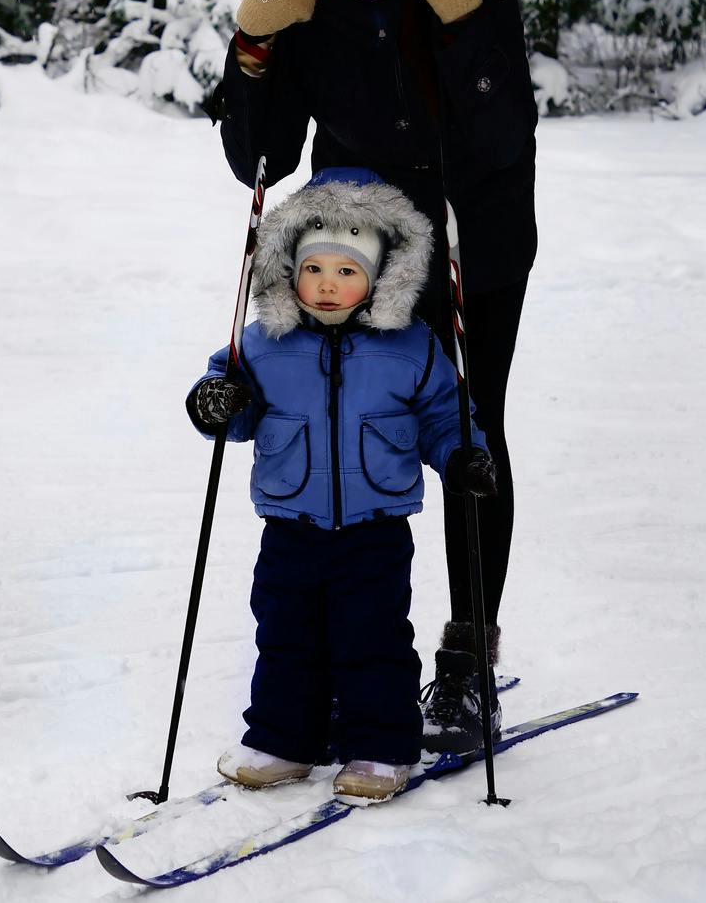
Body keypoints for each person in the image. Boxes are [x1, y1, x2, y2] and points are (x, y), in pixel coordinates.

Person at [208, 0, 538, 753]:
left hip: (477, 226)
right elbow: (259, 161)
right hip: (360, 238)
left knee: (469, 427)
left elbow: (499, 135)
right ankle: (341, 657)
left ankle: (468, 663)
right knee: (351, 418)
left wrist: (461, 16)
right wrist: (258, 53)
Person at [186, 167, 497, 804]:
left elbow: (445, 414)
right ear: (288, 270)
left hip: (375, 532)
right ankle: (281, 740)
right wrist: (216, 403)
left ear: (380, 277)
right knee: (284, 636)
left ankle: (381, 748)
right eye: (314, 270)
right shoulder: (264, 344)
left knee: (373, 638)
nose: (328, 286)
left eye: (347, 272)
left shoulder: (411, 347)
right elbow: (234, 405)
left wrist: (463, 455)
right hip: (290, 528)